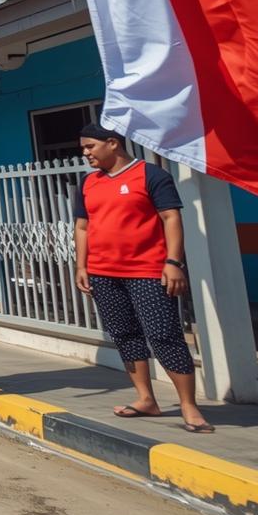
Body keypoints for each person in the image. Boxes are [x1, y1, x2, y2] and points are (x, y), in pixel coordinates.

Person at [74, 124, 211, 432]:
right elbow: (82, 227)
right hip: (103, 273)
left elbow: (171, 217)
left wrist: (173, 262)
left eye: (90, 147)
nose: (85, 153)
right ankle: (145, 398)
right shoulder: (87, 183)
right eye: (83, 148)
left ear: (112, 143)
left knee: (164, 335)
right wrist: (81, 266)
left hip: (147, 271)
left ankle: (189, 407)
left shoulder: (151, 175)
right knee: (124, 335)